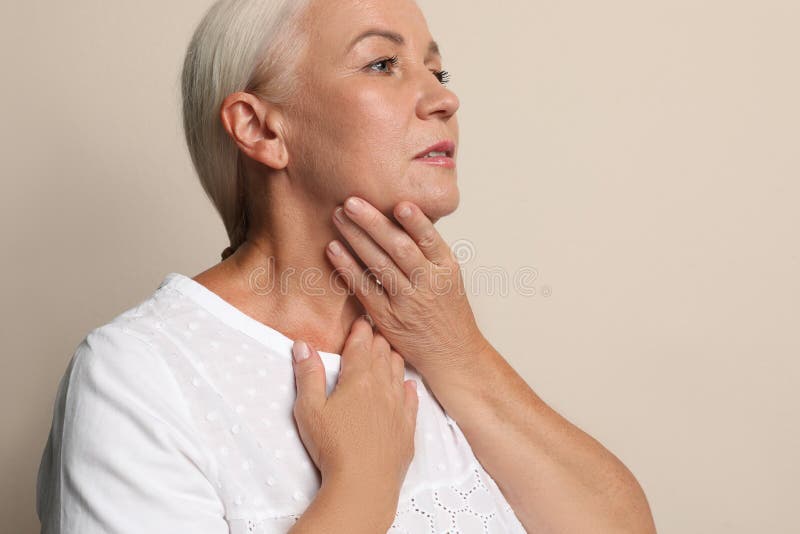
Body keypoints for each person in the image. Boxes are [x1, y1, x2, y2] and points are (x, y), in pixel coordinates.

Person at [37, 0, 657, 532]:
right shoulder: (138, 376)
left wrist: (461, 354)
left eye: (438, 70)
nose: (445, 97)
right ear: (261, 128)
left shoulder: (429, 336)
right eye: (383, 63)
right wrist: (361, 485)